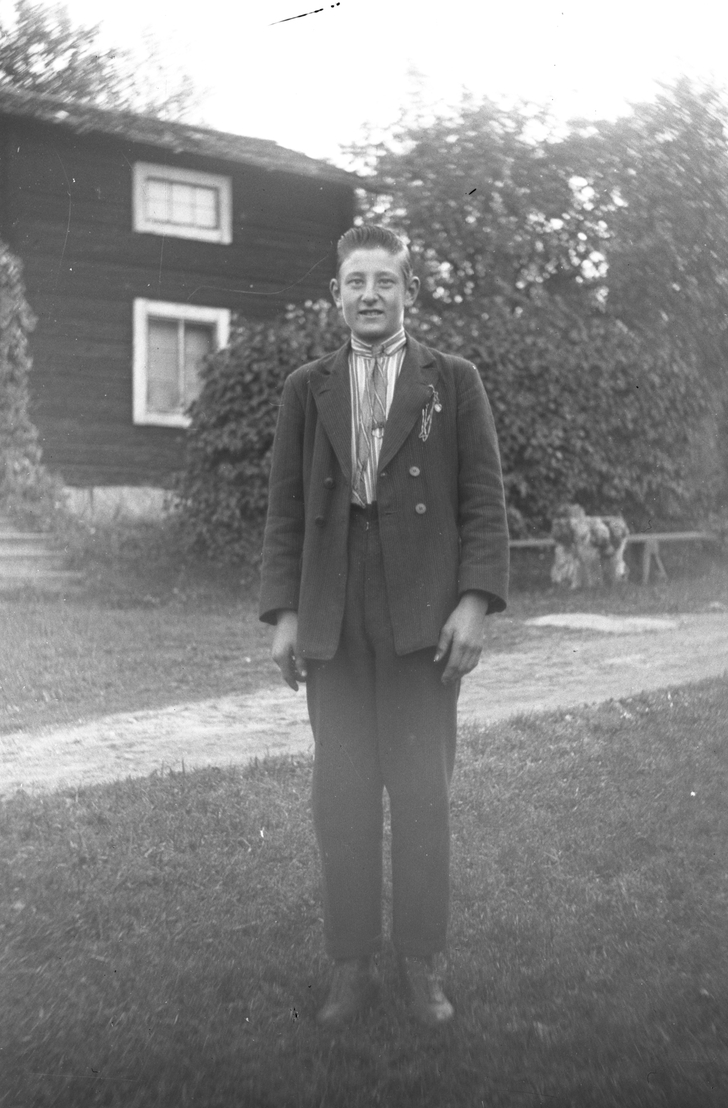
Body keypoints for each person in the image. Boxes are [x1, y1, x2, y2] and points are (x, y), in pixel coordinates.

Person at [259, 224, 509, 1028]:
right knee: (340, 796)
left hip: (422, 616)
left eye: (386, 281)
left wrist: (473, 602)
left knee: (422, 795)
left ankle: (421, 963)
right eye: (356, 282)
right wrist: (285, 614)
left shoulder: (452, 380)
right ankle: (351, 964)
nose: (370, 295)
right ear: (336, 295)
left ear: (409, 292)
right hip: (331, 613)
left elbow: (482, 500)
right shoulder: (307, 388)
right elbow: (285, 510)